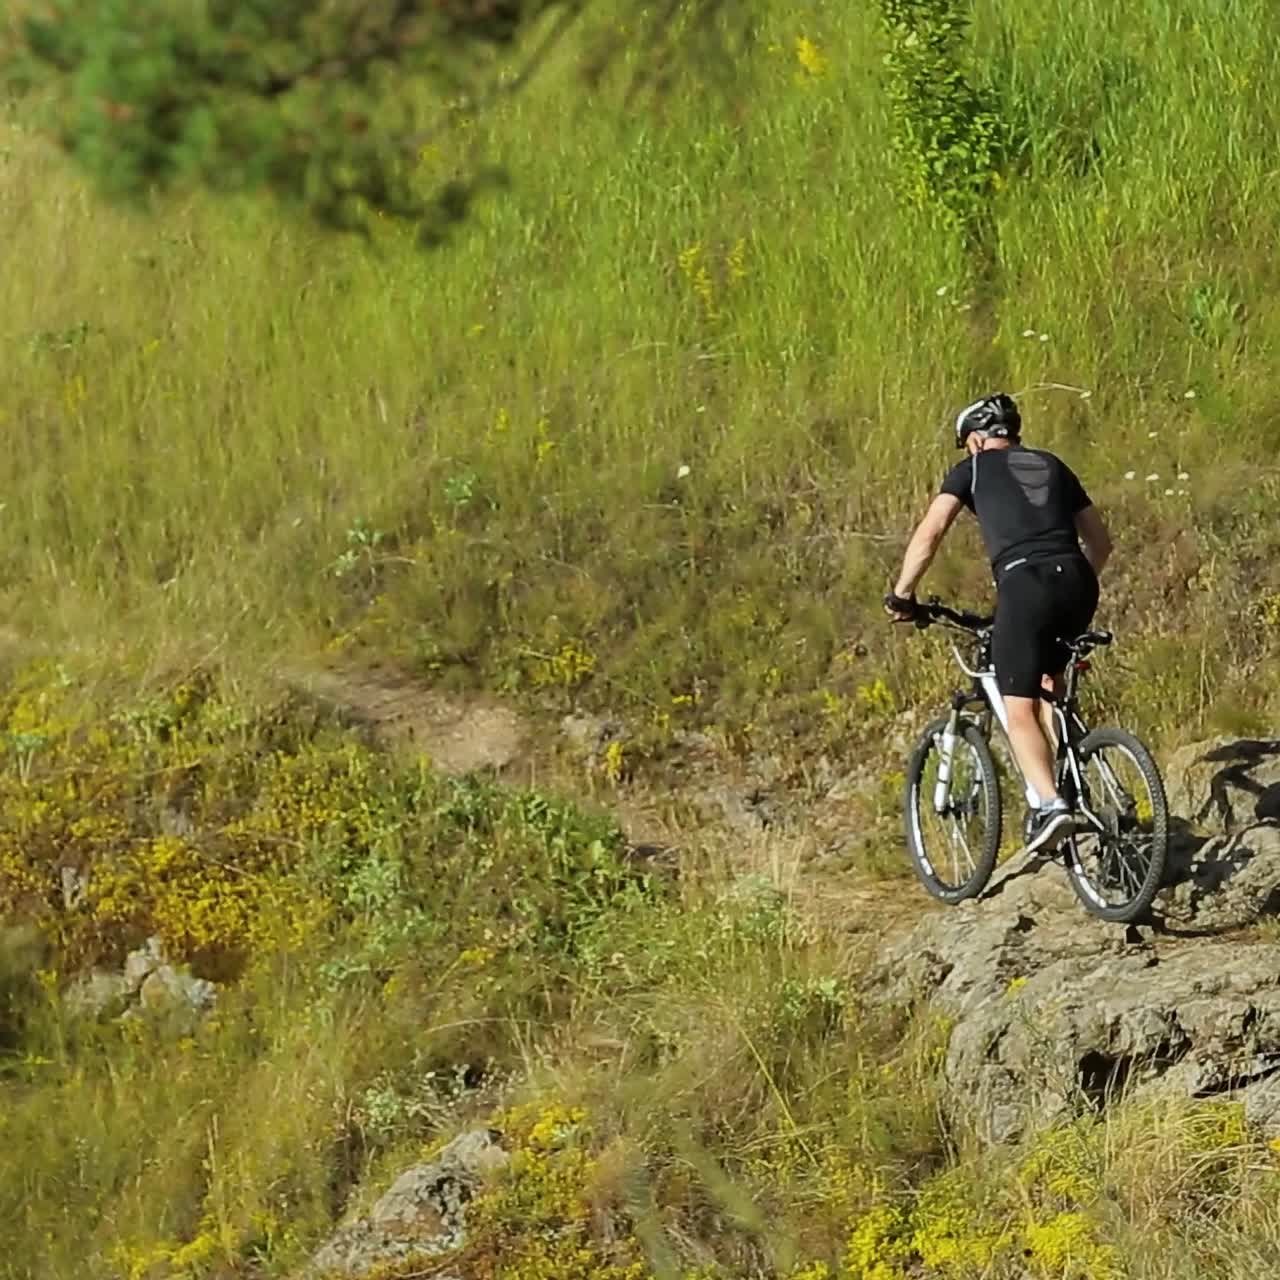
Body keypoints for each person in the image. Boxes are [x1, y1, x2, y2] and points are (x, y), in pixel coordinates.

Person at [883, 393, 1113, 854]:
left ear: (974, 440)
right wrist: (1069, 584)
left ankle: (1052, 806)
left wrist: (902, 594)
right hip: (1079, 580)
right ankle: (1072, 781)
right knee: (1049, 683)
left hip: (1024, 582)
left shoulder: (971, 470)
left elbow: (932, 531)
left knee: (1019, 706)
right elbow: (1102, 543)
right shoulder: (1051, 464)